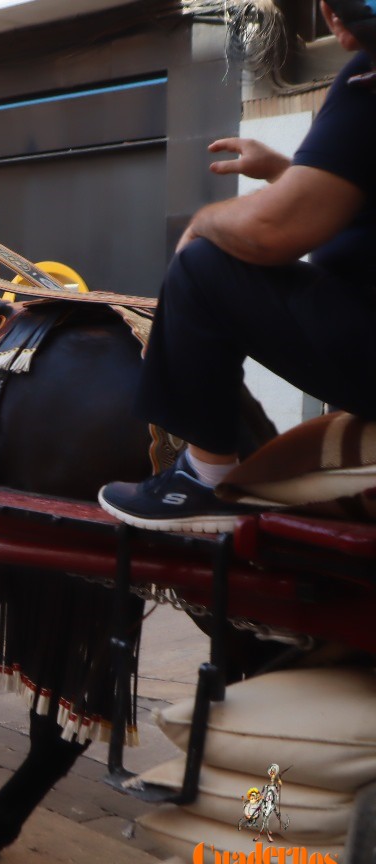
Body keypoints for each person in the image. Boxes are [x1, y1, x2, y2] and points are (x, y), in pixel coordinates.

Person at [100, 0, 376, 533]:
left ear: (334, 19)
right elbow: (342, 202)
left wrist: (202, 222)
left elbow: (274, 233)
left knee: (203, 264)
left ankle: (202, 477)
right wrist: (284, 171)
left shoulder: (366, 80)